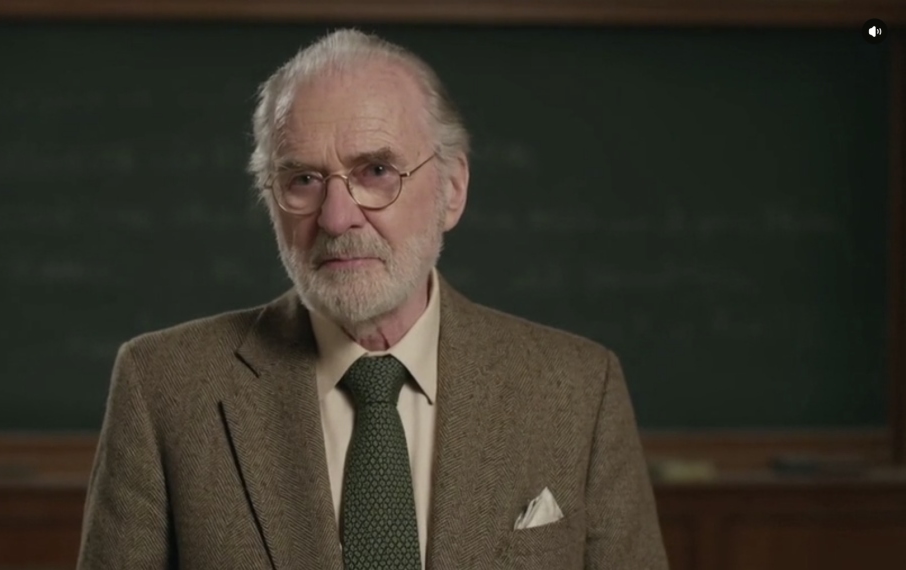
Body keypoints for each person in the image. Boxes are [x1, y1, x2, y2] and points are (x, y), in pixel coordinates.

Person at [77, 29, 668, 570]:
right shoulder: (162, 388)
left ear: (453, 190)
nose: (337, 217)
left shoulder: (578, 390)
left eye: (377, 170)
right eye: (302, 179)